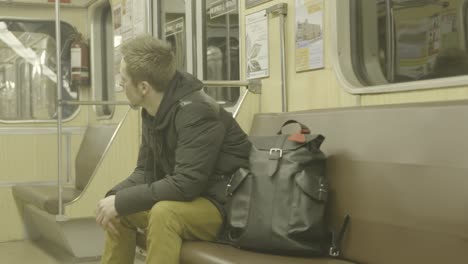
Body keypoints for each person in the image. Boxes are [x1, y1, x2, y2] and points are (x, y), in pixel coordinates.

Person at [95, 35, 251, 264]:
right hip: (193, 198)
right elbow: (145, 172)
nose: (121, 87)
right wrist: (114, 198)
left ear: (143, 87)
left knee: (164, 213)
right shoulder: (152, 112)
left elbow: (186, 183)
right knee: (122, 209)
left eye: (123, 81)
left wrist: (121, 200)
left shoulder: (197, 112)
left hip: (224, 205)